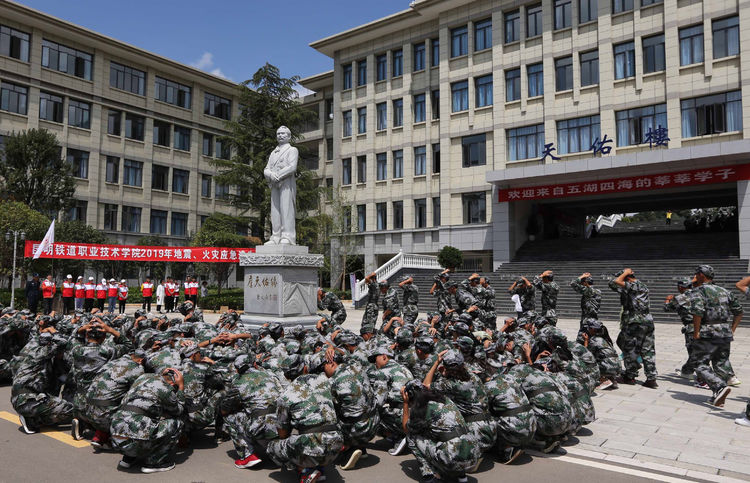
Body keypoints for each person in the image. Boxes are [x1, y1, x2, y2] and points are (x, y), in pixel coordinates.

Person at [266, 355, 344, 483]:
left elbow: (283, 433)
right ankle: (318, 468)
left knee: (272, 447)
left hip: (312, 445)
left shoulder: (285, 395)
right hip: (336, 443)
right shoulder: (324, 381)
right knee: (312, 437)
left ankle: (305, 471)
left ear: (285, 376)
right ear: (306, 368)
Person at [401, 379, 480, 483]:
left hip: (453, 458)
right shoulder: (445, 399)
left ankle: (431, 476)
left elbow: (406, 428)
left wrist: (405, 403)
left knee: (411, 437)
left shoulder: (423, 408)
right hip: (473, 454)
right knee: (448, 437)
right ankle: (461, 475)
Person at [110, 369, 185, 473]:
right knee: (177, 423)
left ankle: (128, 458)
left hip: (115, 436)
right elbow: (178, 410)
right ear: (172, 383)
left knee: (139, 419)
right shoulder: (166, 389)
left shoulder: (143, 377)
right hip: (134, 438)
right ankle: (154, 463)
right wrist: (181, 387)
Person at [691, 265, 742, 408]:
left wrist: (696, 332)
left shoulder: (699, 291)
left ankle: (719, 387)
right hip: (724, 332)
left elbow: (697, 312)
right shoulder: (725, 291)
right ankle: (718, 395)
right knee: (721, 363)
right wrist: (732, 329)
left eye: (697, 274)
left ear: (702, 275)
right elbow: (739, 311)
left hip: (708, 332)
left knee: (699, 364)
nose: (695, 276)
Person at [609, 268, 658, 388]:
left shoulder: (636, 285)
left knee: (630, 347)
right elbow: (613, 284)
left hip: (635, 322)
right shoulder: (631, 287)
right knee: (647, 349)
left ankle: (630, 376)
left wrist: (626, 273)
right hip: (646, 321)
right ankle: (651, 378)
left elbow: (616, 282)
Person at [263, 125, 298, 245]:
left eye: (283, 133)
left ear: (289, 136)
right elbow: (266, 169)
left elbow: (292, 167)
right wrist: (271, 175)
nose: (280, 135)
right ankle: (275, 236)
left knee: (286, 209)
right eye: (278, 133)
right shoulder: (273, 152)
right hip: (274, 183)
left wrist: (278, 175)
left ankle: (287, 236)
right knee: (275, 210)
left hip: (286, 183)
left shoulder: (292, 150)